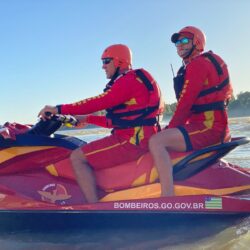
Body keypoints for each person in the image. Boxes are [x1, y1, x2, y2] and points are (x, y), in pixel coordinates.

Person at [38, 44, 163, 203]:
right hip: (137, 136)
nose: (103, 66)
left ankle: (93, 206)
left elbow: (98, 102)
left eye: (106, 61)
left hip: (132, 141)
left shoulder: (128, 81)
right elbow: (116, 121)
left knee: (77, 157)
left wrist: (58, 108)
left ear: (119, 61)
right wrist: (88, 119)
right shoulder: (133, 81)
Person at [149, 26, 233, 197]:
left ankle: (167, 197)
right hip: (213, 127)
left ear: (197, 42)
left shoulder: (198, 64)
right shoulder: (200, 64)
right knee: (163, 137)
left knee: (157, 142)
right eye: (177, 42)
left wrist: (169, 130)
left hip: (210, 128)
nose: (179, 45)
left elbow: (185, 105)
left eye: (185, 40)